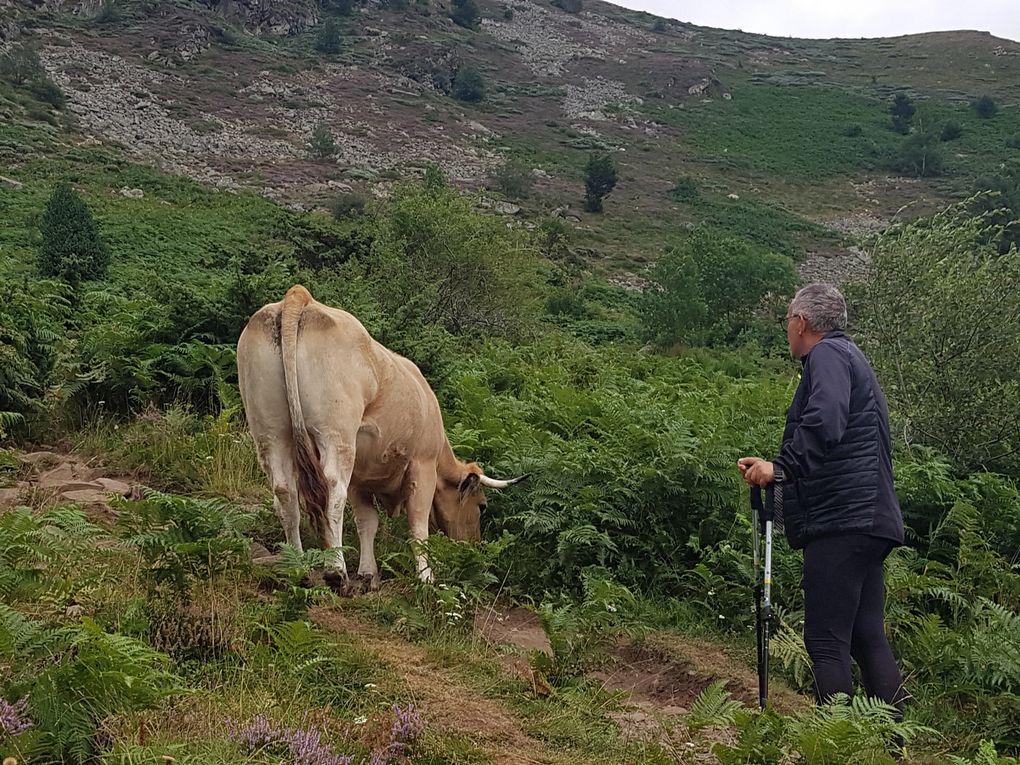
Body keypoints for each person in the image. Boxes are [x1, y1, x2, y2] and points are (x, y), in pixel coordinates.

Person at [737, 283, 906, 711]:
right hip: (870, 518)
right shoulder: (851, 356)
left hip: (841, 520)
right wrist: (777, 464)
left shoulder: (827, 355)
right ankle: (894, 745)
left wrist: (782, 467)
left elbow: (826, 418)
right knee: (867, 635)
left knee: (825, 640)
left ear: (802, 321)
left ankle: (836, 745)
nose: (787, 329)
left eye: (788, 319)